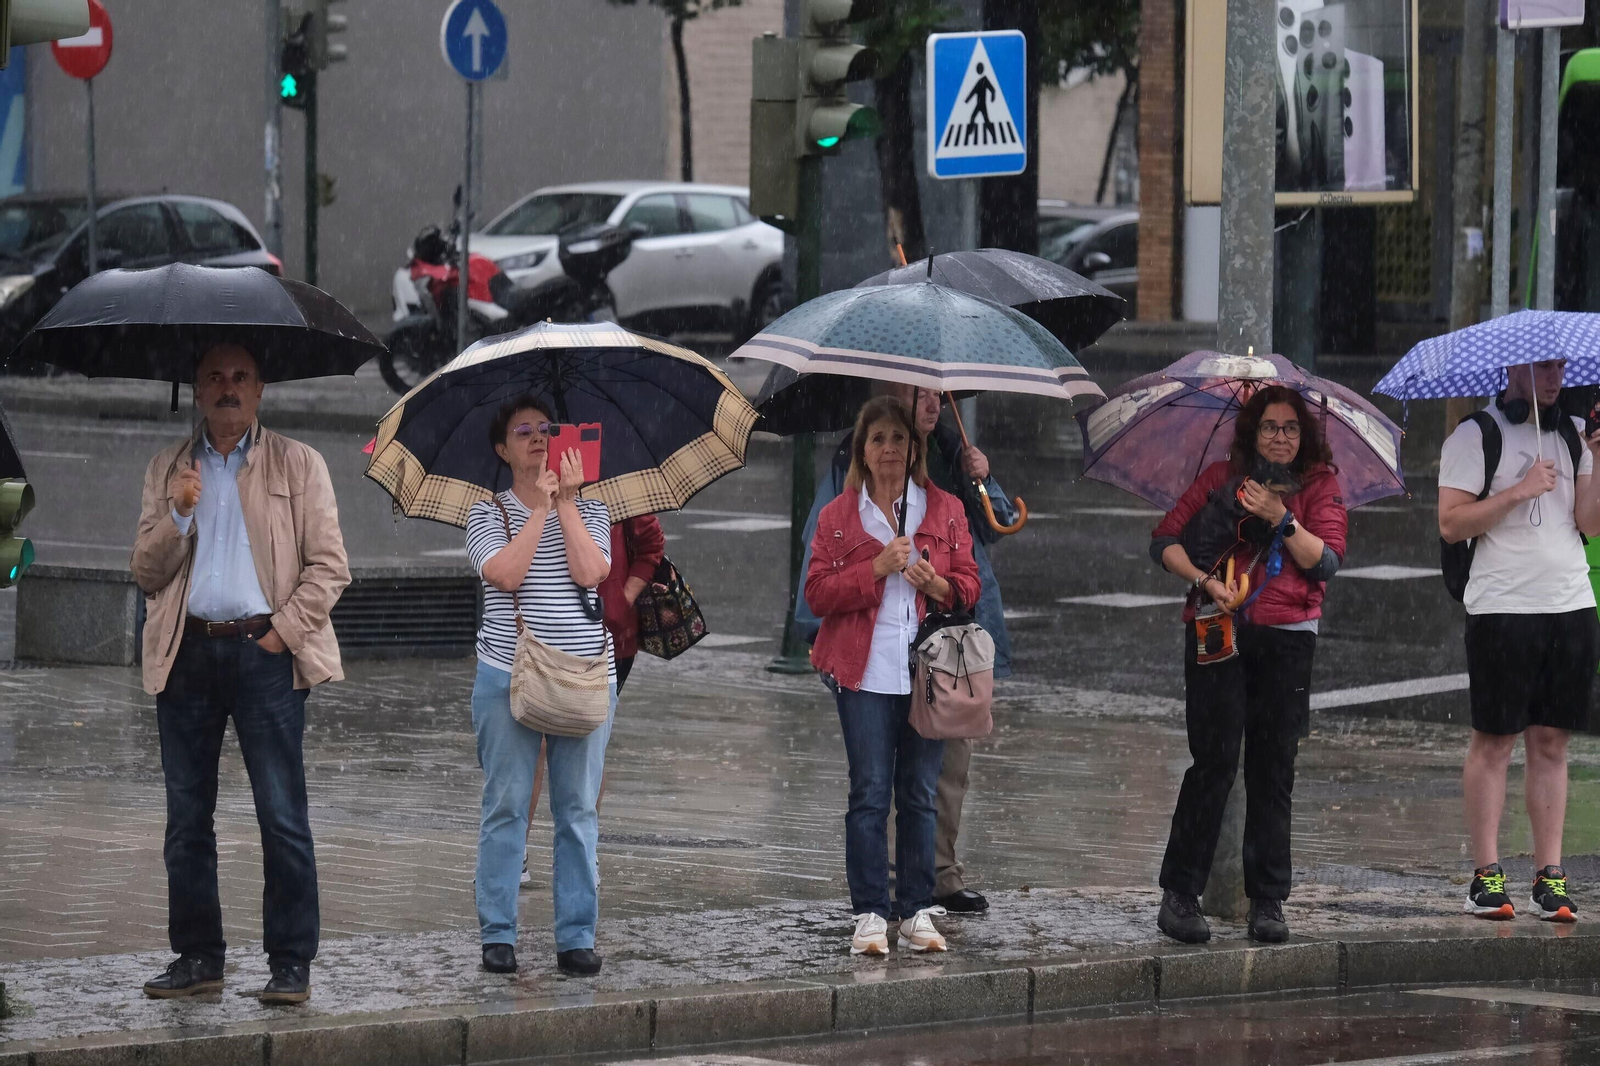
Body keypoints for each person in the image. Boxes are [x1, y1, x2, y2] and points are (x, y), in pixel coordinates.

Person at [132, 343, 350, 1005]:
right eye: (215, 378)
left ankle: (290, 965)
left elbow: (330, 567)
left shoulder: (298, 463)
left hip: (264, 653)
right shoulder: (169, 466)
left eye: (241, 378)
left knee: (281, 815)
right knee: (186, 820)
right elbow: (145, 571)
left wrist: (281, 634)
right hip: (188, 655)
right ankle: (198, 957)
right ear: (196, 390)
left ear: (260, 390)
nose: (228, 389)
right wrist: (179, 514)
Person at [796, 385, 1012, 914]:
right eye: (879, 439)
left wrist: (981, 481)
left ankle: (926, 896)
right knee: (870, 791)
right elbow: (818, 584)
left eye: (899, 439)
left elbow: (990, 536)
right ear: (863, 449)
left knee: (928, 787)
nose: (890, 447)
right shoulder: (840, 509)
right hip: (865, 668)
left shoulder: (951, 476)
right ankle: (872, 906)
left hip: (940, 662)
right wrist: (872, 571)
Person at [1148, 385, 1347, 945]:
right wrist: (1206, 581)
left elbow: (1326, 561)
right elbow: (1164, 539)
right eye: (1268, 427)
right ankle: (1180, 895)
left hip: (1287, 637)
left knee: (1273, 767)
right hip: (1219, 629)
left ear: (1302, 436)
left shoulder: (1321, 486)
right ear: (1251, 434)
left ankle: (1268, 902)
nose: (1279, 437)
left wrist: (1282, 517)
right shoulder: (1219, 479)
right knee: (1212, 762)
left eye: (1289, 428)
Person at [1439, 359, 1600, 922]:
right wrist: (1518, 491)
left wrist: (1598, 461)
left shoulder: (1575, 434)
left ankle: (1548, 876)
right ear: (1513, 369)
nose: (1555, 378)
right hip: (1503, 605)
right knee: (1495, 739)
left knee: (1552, 741)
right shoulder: (1474, 435)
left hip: (1570, 601)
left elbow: (1591, 521)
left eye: (1560, 368)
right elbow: (1451, 523)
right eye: (1543, 367)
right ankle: (1486, 875)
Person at [466, 396, 616, 977]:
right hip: (508, 675)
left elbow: (591, 572)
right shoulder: (487, 512)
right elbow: (504, 574)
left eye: (545, 429)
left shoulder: (595, 510)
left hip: (581, 676)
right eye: (521, 430)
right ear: (502, 449)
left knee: (578, 811)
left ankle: (576, 936)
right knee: (507, 806)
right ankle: (498, 933)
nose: (535, 437)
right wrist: (538, 511)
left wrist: (568, 505)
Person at [519, 513, 666, 886]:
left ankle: (582, 854)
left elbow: (651, 546)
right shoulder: (523, 482)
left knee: (588, 742)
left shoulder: (615, 476)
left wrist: (618, 602)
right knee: (532, 743)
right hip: (538, 637)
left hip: (608, 641)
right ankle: (515, 850)